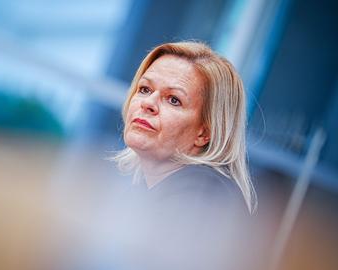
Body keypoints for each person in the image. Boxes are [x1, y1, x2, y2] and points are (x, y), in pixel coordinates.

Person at [108, 41, 258, 270]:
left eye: (173, 100)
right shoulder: (144, 188)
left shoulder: (204, 195)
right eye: (145, 89)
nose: (148, 103)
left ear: (204, 133)